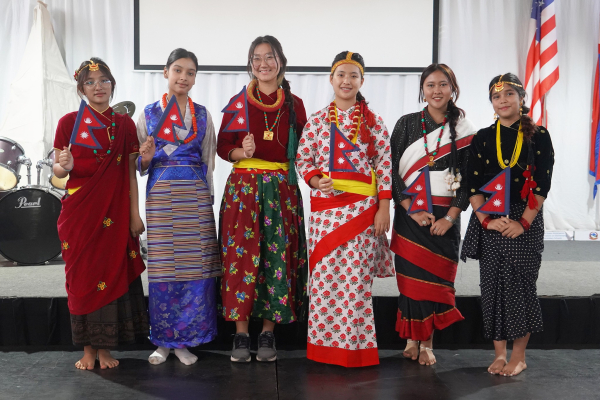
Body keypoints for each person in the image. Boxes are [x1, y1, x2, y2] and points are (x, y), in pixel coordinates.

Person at [295, 51, 394, 368]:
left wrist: (384, 208)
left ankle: (354, 350)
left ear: (362, 80)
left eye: (353, 75)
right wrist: (316, 180)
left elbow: (385, 165)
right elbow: (303, 159)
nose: (347, 81)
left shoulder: (374, 122)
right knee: (325, 280)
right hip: (326, 212)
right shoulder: (317, 121)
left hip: (363, 211)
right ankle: (323, 349)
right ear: (331, 79)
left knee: (355, 283)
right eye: (341, 74)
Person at [217, 35, 308, 363]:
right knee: (240, 257)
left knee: (276, 257)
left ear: (280, 61)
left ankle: (268, 332)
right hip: (243, 190)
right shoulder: (238, 102)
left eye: (269, 56)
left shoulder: (295, 104)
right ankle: (241, 334)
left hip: (281, 191)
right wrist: (242, 152)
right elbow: (222, 146)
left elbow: (306, 149)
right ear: (250, 63)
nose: (263, 63)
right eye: (256, 57)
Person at [54, 58, 148, 370]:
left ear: (112, 84)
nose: (99, 87)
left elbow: (130, 174)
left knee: (111, 274)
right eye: (90, 82)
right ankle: (87, 350)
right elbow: (58, 171)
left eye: (104, 80)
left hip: (115, 214)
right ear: (81, 89)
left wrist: (134, 215)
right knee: (82, 277)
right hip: (80, 214)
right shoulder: (68, 123)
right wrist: (64, 167)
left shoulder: (124, 125)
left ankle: (105, 349)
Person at [461, 73, 554, 376]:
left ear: (521, 98)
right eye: (496, 96)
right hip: (491, 218)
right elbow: (472, 184)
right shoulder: (483, 137)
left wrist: (523, 223)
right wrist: (486, 220)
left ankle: (519, 356)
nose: (502, 100)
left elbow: (542, 184)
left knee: (520, 287)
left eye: (509, 94)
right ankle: (499, 354)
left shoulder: (539, 135)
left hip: (525, 218)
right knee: (491, 287)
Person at [136, 48, 220, 366]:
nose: (183, 77)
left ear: (195, 78)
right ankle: (162, 340)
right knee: (164, 271)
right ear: (165, 72)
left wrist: (208, 199)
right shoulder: (147, 114)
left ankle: (186, 341)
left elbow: (209, 160)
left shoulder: (203, 115)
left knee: (195, 271)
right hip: (161, 198)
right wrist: (145, 157)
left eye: (190, 73)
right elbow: (139, 164)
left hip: (195, 198)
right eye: (178, 70)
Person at [390, 63, 476, 366]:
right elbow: (391, 171)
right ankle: (411, 338)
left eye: (443, 85)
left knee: (435, 279)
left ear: (452, 89)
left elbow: (469, 178)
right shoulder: (406, 123)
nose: (436, 91)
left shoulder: (464, 129)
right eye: (430, 85)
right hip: (411, 213)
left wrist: (450, 217)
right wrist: (410, 210)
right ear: (422, 90)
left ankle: (427, 342)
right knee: (411, 279)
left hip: (445, 215)